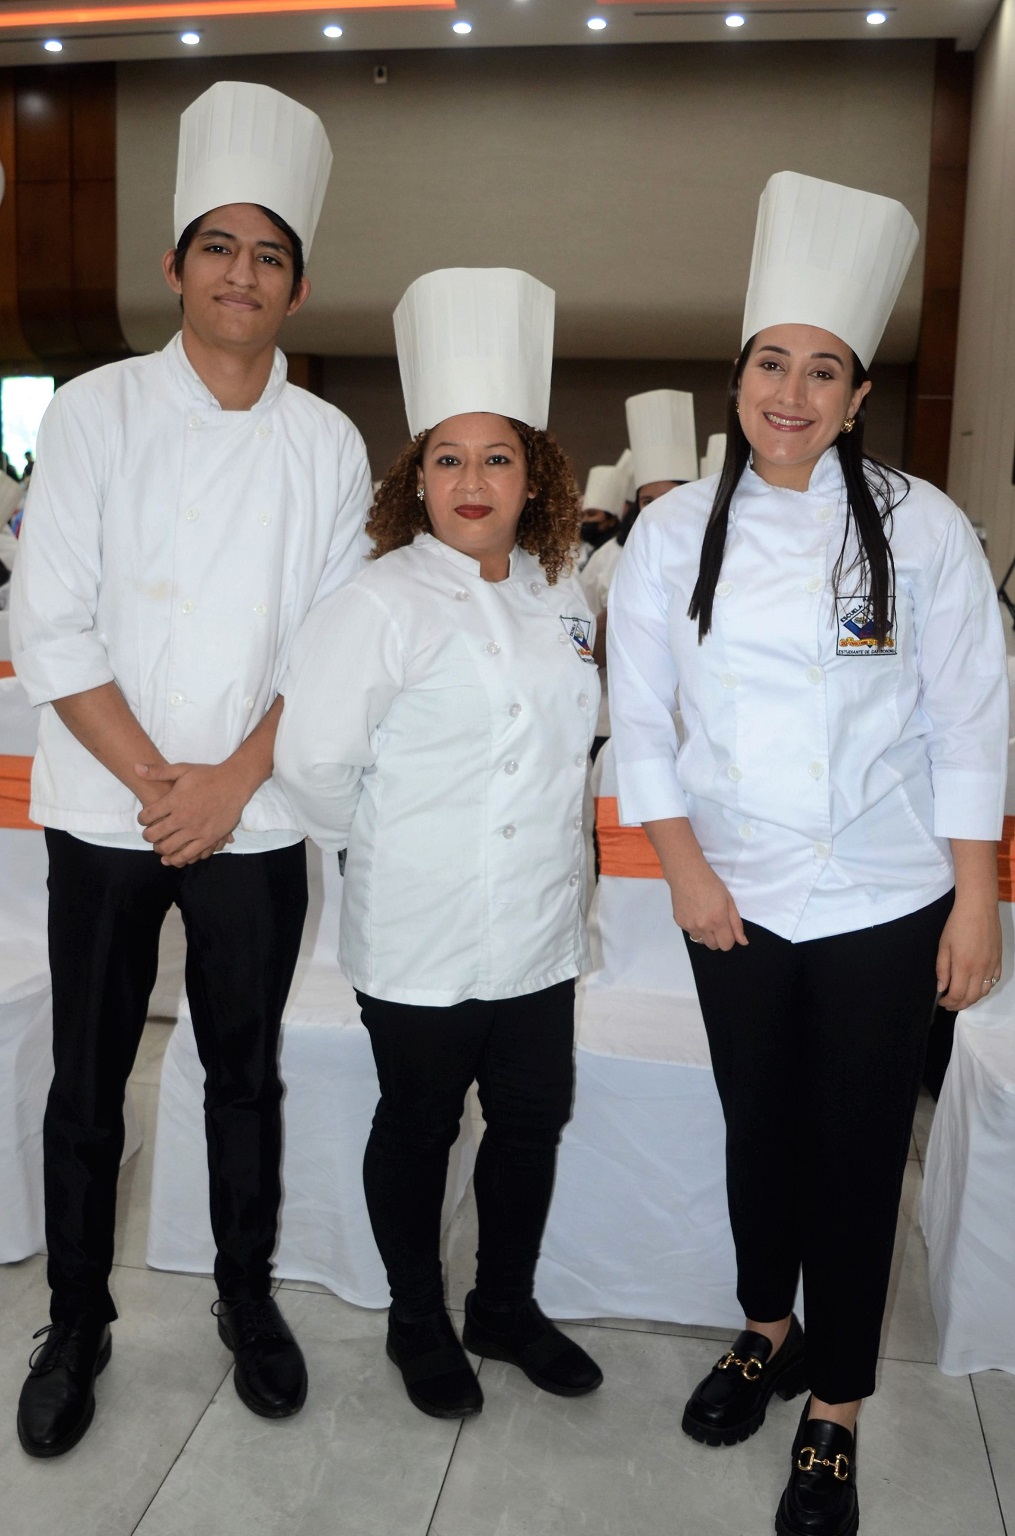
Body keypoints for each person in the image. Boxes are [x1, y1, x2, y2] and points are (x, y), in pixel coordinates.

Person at [607, 171, 1009, 1536]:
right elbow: (641, 714)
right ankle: (761, 1328)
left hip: (885, 901)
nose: (790, 389)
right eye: (769, 362)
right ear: (737, 381)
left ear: (853, 392)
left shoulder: (920, 526)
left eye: (820, 368)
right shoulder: (667, 534)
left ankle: (831, 1398)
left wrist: (971, 896)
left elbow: (967, 716)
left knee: (849, 1151)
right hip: (731, 894)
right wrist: (682, 867)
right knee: (754, 1129)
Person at [10, 80, 371, 1457]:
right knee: (86, 1081)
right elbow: (50, 620)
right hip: (110, 803)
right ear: (175, 266)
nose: (241, 272)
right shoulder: (96, 410)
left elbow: (329, 644)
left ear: (295, 287)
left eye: (267, 254)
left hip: (258, 812)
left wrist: (230, 784)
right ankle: (79, 1318)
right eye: (218, 245)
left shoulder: (326, 443)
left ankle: (243, 1295)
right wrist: (168, 779)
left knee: (244, 1075)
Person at [275, 266, 604, 1423]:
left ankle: (501, 1306)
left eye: (497, 456)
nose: (473, 480)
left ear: (535, 475)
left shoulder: (565, 593)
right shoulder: (374, 602)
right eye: (448, 457)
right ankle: (418, 1314)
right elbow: (313, 763)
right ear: (416, 476)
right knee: (418, 1121)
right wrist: (385, 855)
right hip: (416, 923)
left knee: (529, 1117)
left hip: (539, 927)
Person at [581, 389, 698, 754]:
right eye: (649, 501)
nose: (660, 511)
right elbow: (580, 629)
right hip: (615, 717)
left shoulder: (721, 557)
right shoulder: (613, 558)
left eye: (672, 497)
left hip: (700, 723)